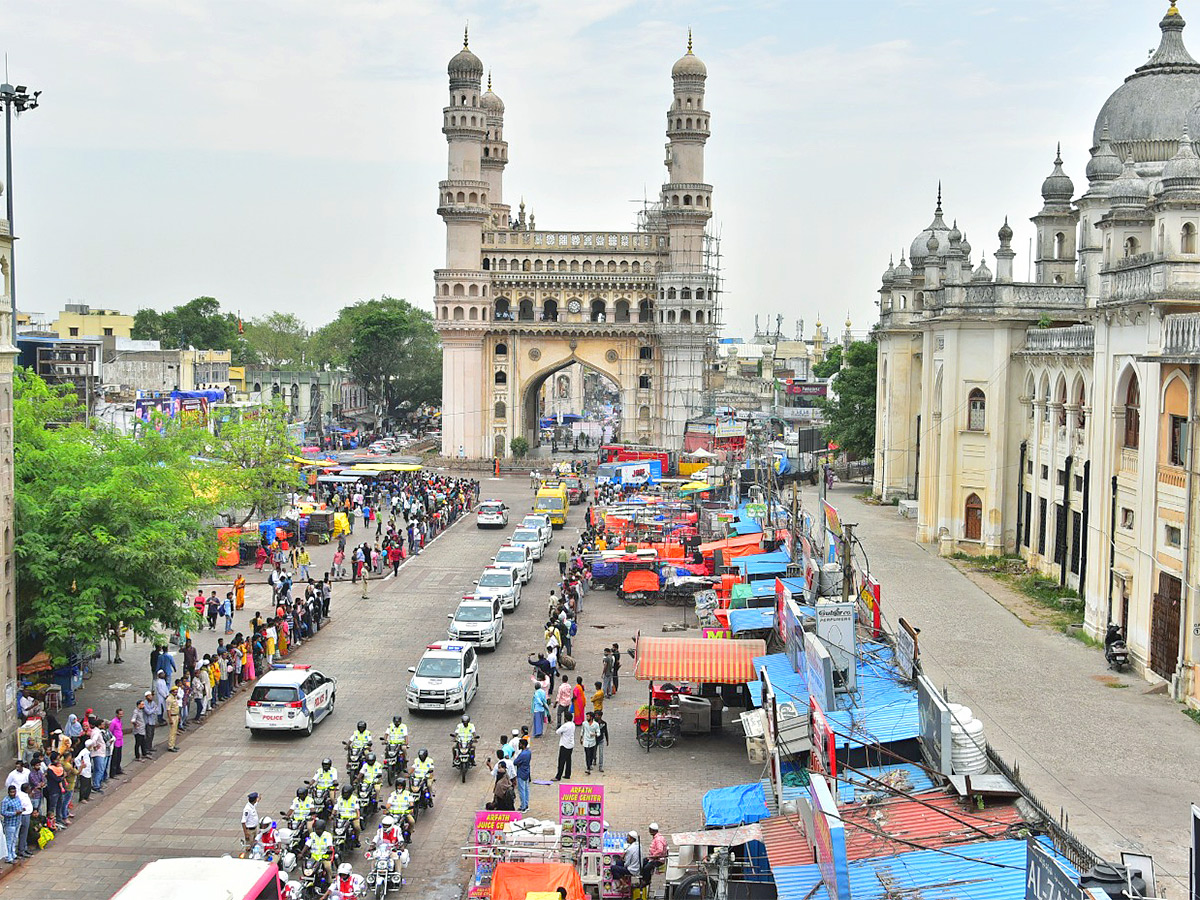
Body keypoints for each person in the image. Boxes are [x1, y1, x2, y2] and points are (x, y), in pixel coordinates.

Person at [334, 783, 361, 848]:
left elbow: (357, 810)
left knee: (357, 827)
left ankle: (356, 840)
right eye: (344, 793)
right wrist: (333, 815)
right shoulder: (339, 799)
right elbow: (335, 808)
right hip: (342, 819)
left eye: (346, 793)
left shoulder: (354, 799)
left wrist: (357, 817)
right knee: (335, 826)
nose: (344, 795)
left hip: (352, 818)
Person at [1, 785, 20, 864]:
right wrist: (14, 813)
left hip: (17, 821)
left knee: (15, 838)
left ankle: (13, 853)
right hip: (10, 823)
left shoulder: (17, 798)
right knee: (9, 840)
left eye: (14, 792)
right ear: (8, 792)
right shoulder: (5, 801)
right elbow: (3, 812)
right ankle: (9, 856)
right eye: (11, 792)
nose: (13, 793)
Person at [512, 738, 532, 812]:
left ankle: (523, 806)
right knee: (526, 789)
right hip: (526, 772)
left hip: (521, 772)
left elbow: (515, 762)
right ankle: (526, 804)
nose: (519, 745)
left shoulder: (522, 754)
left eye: (520, 744)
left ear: (523, 745)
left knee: (522, 790)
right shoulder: (528, 752)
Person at [581, 711, 601, 775]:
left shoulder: (596, 724)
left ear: (591, 717)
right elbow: (582, 731)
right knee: (587, 754)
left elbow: (598, 733)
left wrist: (594, 734)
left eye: (588, 716)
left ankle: (590, 764)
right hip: (586, 741)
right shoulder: (584, 723)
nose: (586, 718)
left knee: (592, 755)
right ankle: (588, 767)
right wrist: (581, 738)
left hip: (592, 742)